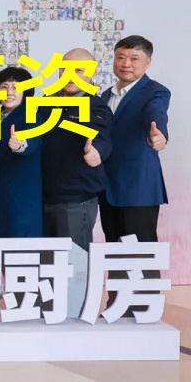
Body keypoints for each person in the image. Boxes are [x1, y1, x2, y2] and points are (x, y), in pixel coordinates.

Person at [99, 35, 170, 313]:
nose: (126, 64)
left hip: (138, 186)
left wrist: (159, 134)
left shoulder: (155, 91)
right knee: (115, 248)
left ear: (147, 62)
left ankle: (145, 307)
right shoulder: (105, 95)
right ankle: (118, 305)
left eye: (134, 58)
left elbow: (156, 113)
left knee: (141, 249)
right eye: (120, 57)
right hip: (108, 186)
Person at [41, 47, 112, 317]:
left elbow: (102, 136)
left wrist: (97, 152)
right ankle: (49, 314)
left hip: (75, 200)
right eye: (65, 69)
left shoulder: (96, 106)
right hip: (42, 197)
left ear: (91, 74)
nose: (70, 75)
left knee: (75, 263)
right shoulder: (45, 102)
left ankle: (78, 317)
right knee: (47, 264)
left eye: (78, 70)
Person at [0, 66, 43, 248]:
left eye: (16, 87)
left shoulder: (30, 115)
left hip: (19, 197)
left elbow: (33, 142)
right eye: (4, 87)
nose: (9, 92)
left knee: (19, 250)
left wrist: (20, 145)